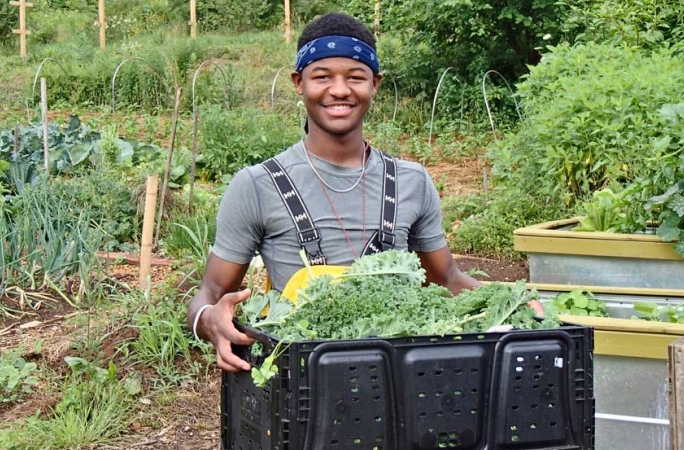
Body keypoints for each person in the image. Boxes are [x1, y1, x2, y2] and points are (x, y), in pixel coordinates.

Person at [187, 12, 482, 373]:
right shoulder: (258, 184)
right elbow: (212, 292)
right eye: (322, 77)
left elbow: (447, 277)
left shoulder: (411, 181)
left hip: (400, 381)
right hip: (303, 386)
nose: (340, 90)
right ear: (299, 82)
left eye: (355, 77)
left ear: (374, 84)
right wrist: (209, 319)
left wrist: (515, 300)